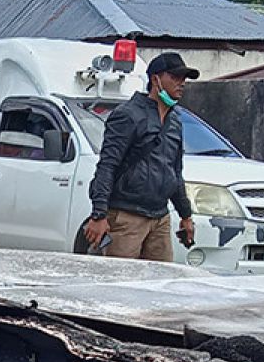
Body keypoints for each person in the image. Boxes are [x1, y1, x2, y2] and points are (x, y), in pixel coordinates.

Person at [84, 52, 197, 262]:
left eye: (184, 79)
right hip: (127, 216)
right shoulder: (127, 115)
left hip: (160, 218)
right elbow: (107, 165)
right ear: (156, 80)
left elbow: (175, 172)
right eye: (175, 77)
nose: (181, 83)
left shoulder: (175, 122)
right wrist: (99, 214)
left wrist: (186, 215)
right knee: (120, 283)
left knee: (160, 284)